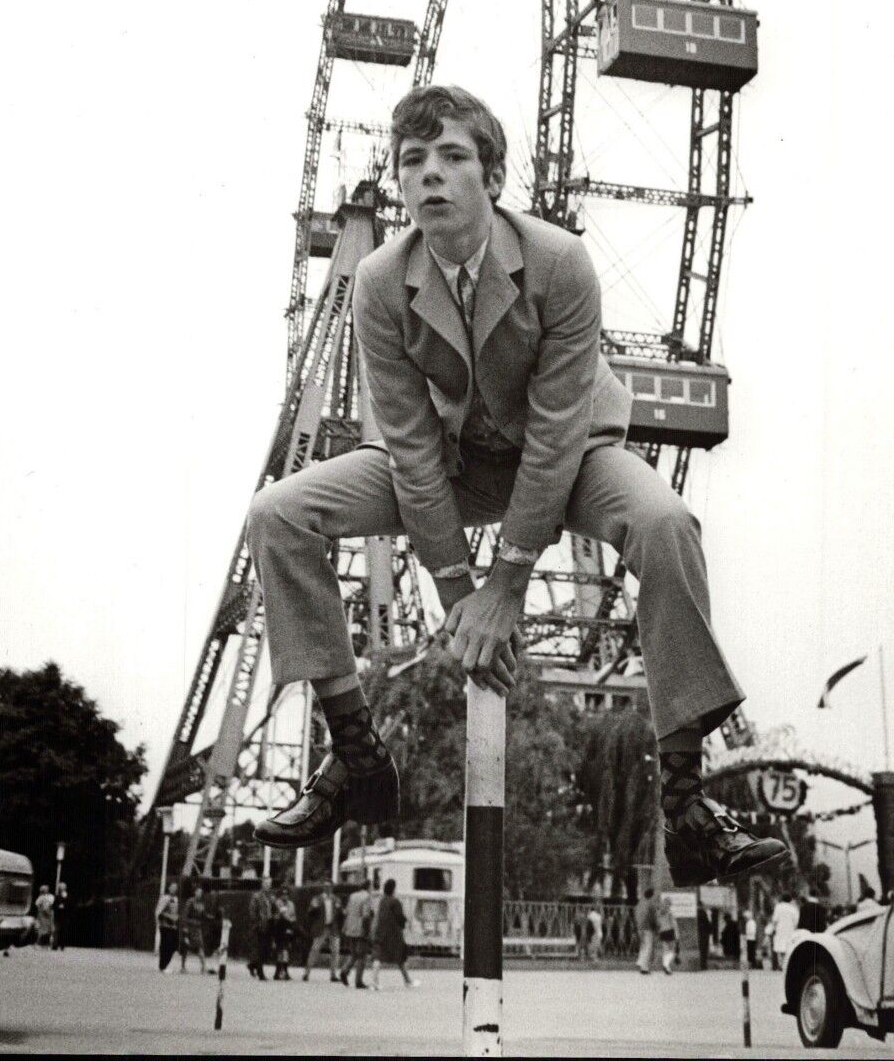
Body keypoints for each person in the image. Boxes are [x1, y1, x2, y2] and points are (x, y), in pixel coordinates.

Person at [249, 85, 786, 893]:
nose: (429, 175)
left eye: (452, 157)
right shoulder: (378, 282)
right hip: (451, 460)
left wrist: (508, 585)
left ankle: (683, 794)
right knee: (280, 512)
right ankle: (355, 752)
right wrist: (459, 589)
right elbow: (407, 445)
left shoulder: (559, 262)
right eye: (412, 162)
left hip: (567, 459)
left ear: (493, 178)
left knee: (667, 523)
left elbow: (560, 428)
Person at [370, 878, 417, 989]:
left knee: (378, 957)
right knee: (400, 957)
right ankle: (408, 981)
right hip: (394, 933)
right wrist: (404, 923)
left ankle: (374, 982)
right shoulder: (395, 901)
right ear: (393, 889)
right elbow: (400, 917)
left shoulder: (382, 901)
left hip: (381, 932)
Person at [339, 875, 374, 988]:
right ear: (368, 887)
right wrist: (367, 931)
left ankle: (344, 970)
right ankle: (358, 981)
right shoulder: (367, 897)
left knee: (353, 953)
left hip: (350, 928)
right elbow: (365, 916)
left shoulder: (353, 896)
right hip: (360, 929)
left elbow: (347, 911)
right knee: (362, 955)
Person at [303, 882, 343, 982]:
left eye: (329, 887)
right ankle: (306, 973)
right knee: (315, 949)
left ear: (332, 888)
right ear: (323, 888)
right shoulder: (317, 899)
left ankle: (333, 975)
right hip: (321, 927)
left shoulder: (336, 899)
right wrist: (313, 908)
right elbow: (309, 912)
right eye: (326, 887)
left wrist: (341, 910)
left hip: (333, 927)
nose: (328, 888)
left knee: (335, 951)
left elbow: (340, 913)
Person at [179, 888, 209, 974]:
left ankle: (203, 967)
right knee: (186, 946)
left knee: (200, 946)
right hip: (189, 926)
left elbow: (203, 915)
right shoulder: (190, 901)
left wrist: (211, 917)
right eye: (198, 892)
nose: (199, 894)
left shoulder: (202, 903)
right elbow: (185, 914)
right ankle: (183, 967)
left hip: (197, 928)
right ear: (195, 893)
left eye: (200, 892)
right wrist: (185, 927)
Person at [248, 878, 273, 981]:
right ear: (262, 884)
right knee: (260, 949)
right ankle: (260, 972)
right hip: (259, 925)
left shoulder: (270, 897)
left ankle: (253, 964)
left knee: (265, 948)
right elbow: (252, 911)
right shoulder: (257, 896)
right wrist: (256, 923)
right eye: (266, 884)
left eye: (269, 884)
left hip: (268, 924)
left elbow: (270, 910)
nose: (268, 886)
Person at [271, 884, 297, 980]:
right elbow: (282, 915)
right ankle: (278, 972)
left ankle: (284, 971)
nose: (285, 896)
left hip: (288, 927)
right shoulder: (278, 903)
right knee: (280, 949)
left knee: (286, 949)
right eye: (283, 894)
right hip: (279, 927)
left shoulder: (291, 904)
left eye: (286, 894)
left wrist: (292, 923)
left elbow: (293, 916)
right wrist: (289, 918)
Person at [769, 891, 800, 970]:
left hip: (780, 930)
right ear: (790, 900)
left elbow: (775, 920)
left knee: (780, 948)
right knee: (788, 948)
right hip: (790, 930)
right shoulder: (793, 908)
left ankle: (781, 965)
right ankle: (787, 965)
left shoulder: (778, 907)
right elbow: (796, 921)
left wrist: (773, 928)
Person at [155, 880, 180, 972]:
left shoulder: (176, 899)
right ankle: (163, 965)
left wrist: (176, 918)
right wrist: (168, 917)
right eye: (172, 887)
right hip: (165, 925)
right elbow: (159, 912)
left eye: (175, 887)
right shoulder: (165, 898)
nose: (174, 889)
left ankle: (166, 963)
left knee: (174, 944)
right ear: (169, 888)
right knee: (165, 944)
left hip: (173, 925)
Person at [635, 886, 660, 974]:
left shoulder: (640, 903)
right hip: (647, 928)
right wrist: (657, 927)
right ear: (652, 895)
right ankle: (644, 968)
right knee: (648, 948)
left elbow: (637, 915)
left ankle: (640, 962)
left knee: (643, 946)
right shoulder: (650, 904)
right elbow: (653, 918)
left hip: (640, 927)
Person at [657, 894, 677, 975]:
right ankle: (666, 965)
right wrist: (676, 933)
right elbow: (673, 924)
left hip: (662, 932)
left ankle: (666, 967)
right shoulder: (669, 912)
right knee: (672, 950)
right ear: (669, 904)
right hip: (669, 931)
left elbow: (657, 923)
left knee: (665, 950)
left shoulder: (659, 912)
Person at [34, 884, 54, 948]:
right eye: (43, 890)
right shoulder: (40, 897)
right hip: (42, 914)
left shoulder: (51, 896)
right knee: (41, 929)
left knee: (50, 928)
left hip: (49, 913)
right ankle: (38, 942)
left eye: (45, 890)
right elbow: (37, 904)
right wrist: (41, 910)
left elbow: (52, 904)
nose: (44, 891)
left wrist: (48, 910)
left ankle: (49, 943)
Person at [52, 882, 69, 950]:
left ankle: (62, 945)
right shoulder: (57, 896)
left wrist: (65, 907)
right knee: (56, 931)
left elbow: (72, 906)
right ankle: (55, 945)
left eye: (62, 887)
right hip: (58, 916)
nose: (61, 888)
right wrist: (58, 907)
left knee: (64, 931)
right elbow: (53, 906)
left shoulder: (68, 897)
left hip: (65, 916)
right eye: (60, 887)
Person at [697, 905, 711, 970]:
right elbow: (709, 925)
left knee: (702, 950)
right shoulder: (704, 913)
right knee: (704, 951)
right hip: (704, 935)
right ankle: (703, 965)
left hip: (701, 934)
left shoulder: (698, 913)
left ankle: (702, 965)